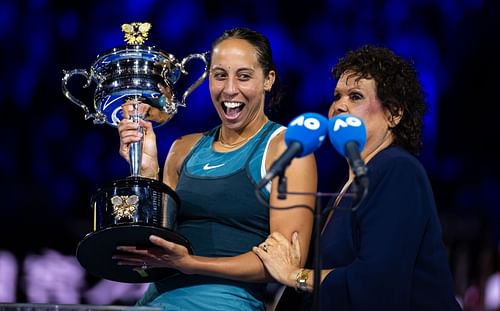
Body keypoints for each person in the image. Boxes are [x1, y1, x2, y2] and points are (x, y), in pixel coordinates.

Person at [113, 27, 317, 311]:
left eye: (244, 76)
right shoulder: (183, 148)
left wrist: (190, 264)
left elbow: (285, 263)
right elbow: (157, 239)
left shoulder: (287, 149)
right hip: (155, 301)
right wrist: (147, 170)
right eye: (220, 75)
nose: (229, 89)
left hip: (225, 303)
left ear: (268, 80)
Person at [252, 45, 463, 310]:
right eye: (337, 96)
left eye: (355, 96)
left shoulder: (399, 170)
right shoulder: (345, 189)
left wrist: (294, 275)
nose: (340, 105)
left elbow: (378, 284)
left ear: (394, 114)